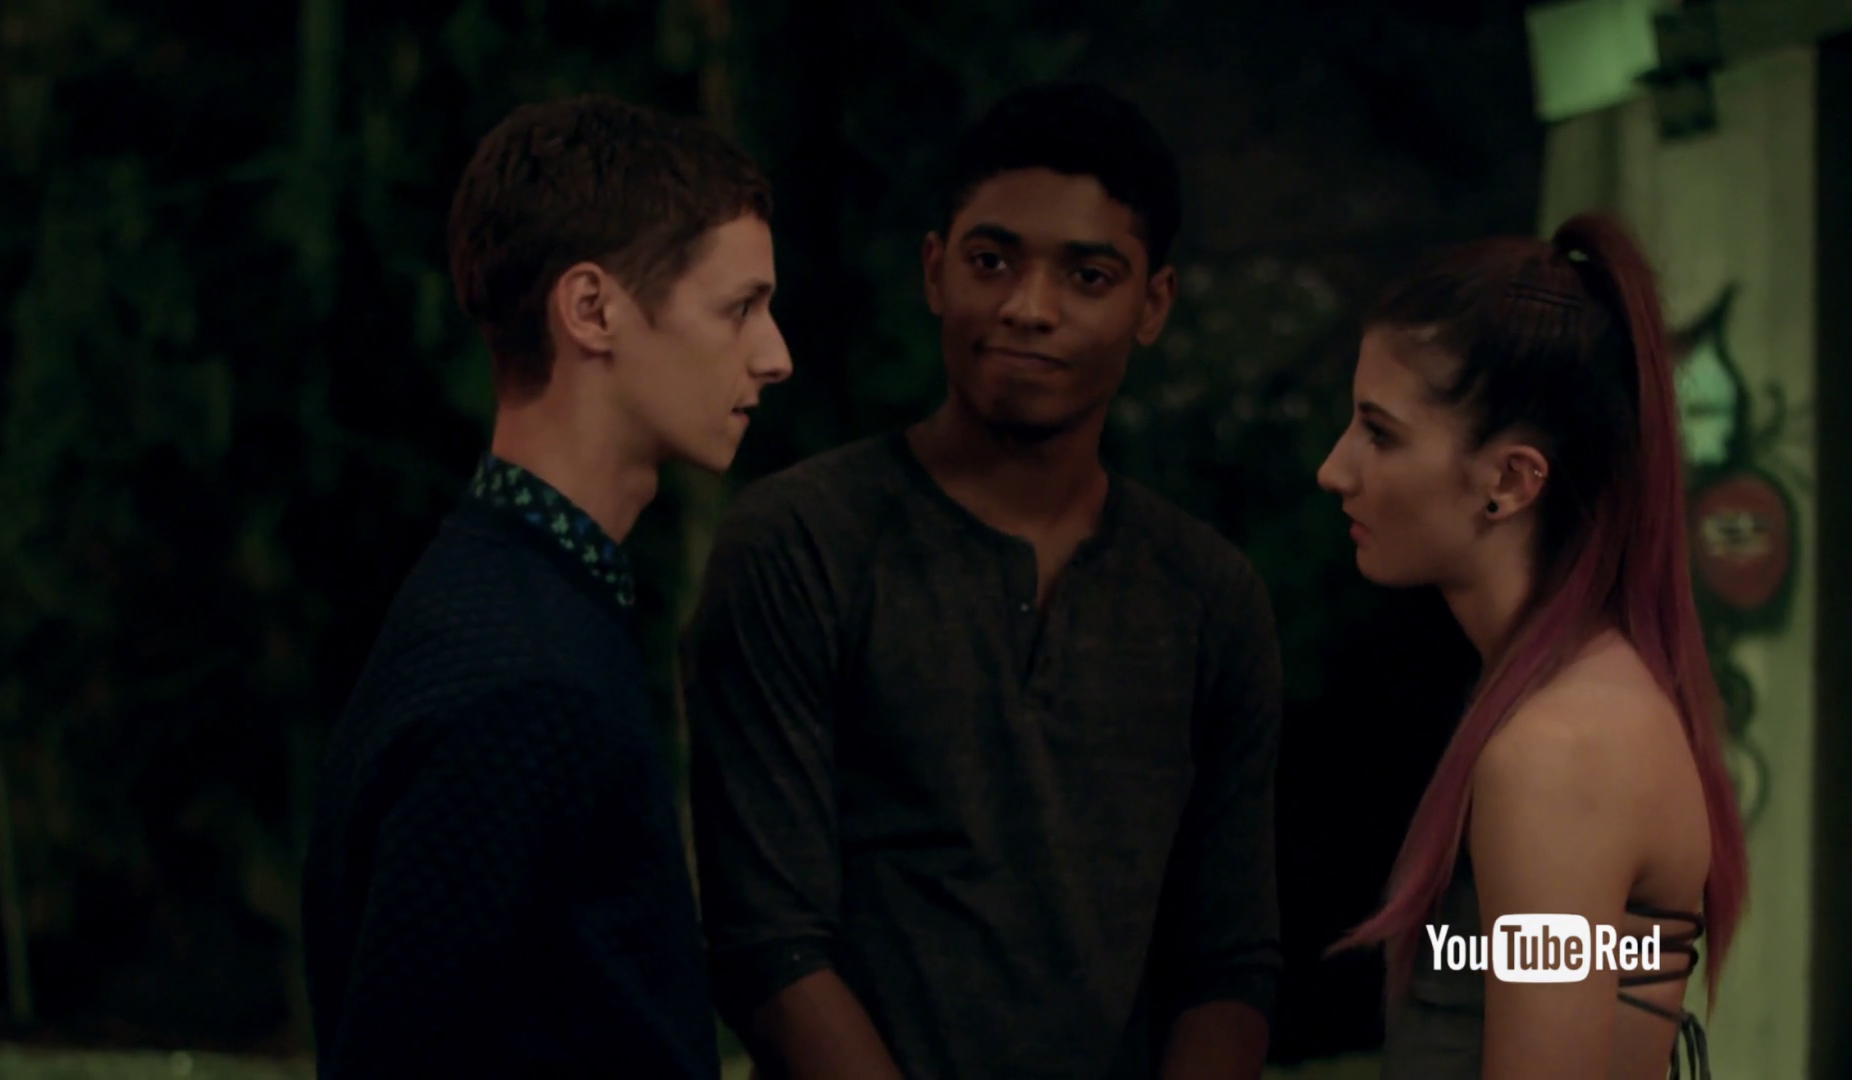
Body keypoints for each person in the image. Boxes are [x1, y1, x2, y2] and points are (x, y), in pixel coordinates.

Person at [682, 81, 1281, 1080]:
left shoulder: (1209, 597)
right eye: (992, 261)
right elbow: (767, 943)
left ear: (1153, 304)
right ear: (935, 270)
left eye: (1088, 276)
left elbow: (1228, 960)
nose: (1028, 309)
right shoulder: (801, 545)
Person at [300, 94, 791, 1078]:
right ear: (592, 310)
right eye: (739, 308)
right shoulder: (520, 676)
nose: (775, 355)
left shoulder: (532, 602)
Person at [1316, 212, 1746, 1080]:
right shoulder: (1573, 706)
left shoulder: (1556, 752)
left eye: (1380, 433)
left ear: (1510, 481)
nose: (1336, 469)